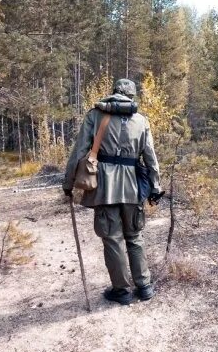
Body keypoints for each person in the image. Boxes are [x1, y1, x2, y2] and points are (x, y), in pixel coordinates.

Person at [63, 78, 163, 305]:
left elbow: (79, 151)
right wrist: (155, 186)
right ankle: (144, 286)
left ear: (114, 92)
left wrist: (68, 183)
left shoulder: (95, 115)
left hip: (104, 187)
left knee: (113, 239)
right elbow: (150, 158)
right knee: (135, 236)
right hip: (133, 186)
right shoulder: (141, 120)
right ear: (131, 96)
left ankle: (122, 291)